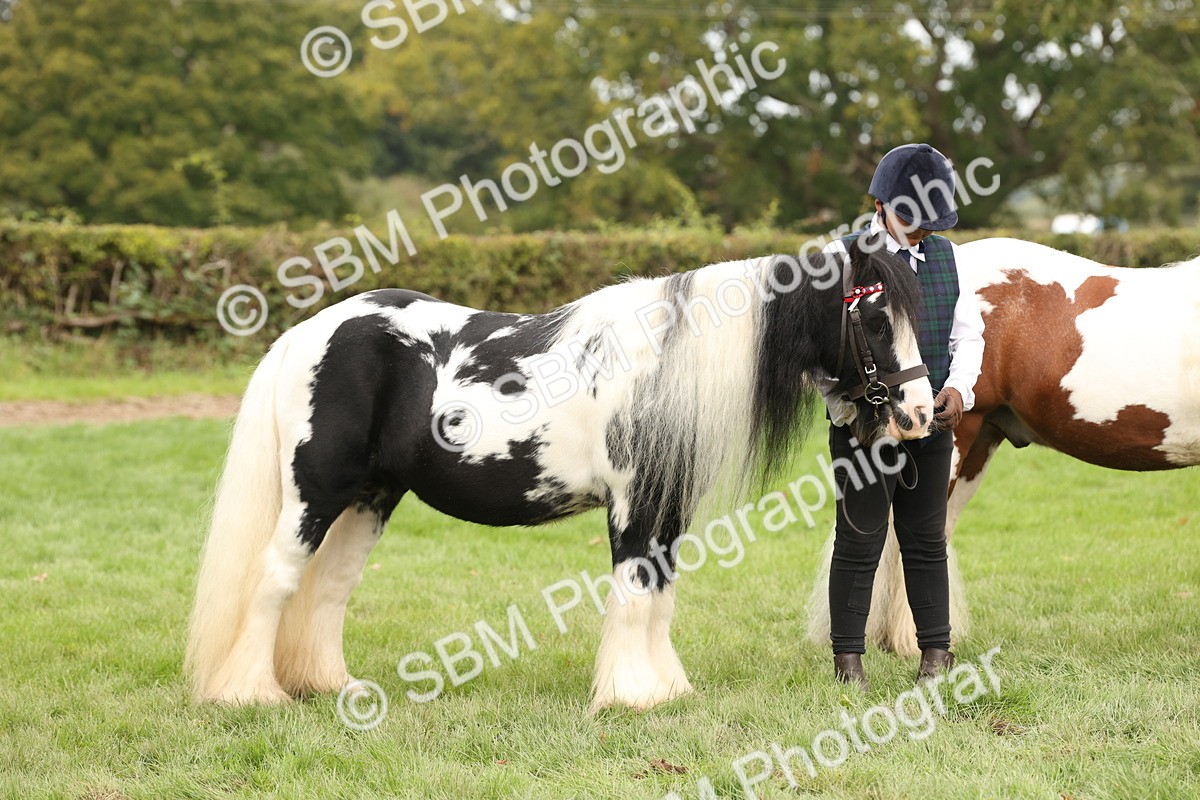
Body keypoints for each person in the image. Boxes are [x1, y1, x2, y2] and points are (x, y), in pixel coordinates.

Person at [821, 143, 985, 690]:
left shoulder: (947, 258)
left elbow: (968, 335)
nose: (920, 233)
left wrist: (959, 388)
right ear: (879, 204)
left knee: (926, 537)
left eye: (928, 222)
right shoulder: (840, 259)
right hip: (866, 428)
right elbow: (818, 356)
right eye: (911, 219)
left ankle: (935, 653)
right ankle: (848, 660)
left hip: (931, 421)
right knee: (860, 537)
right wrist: (847, 412)